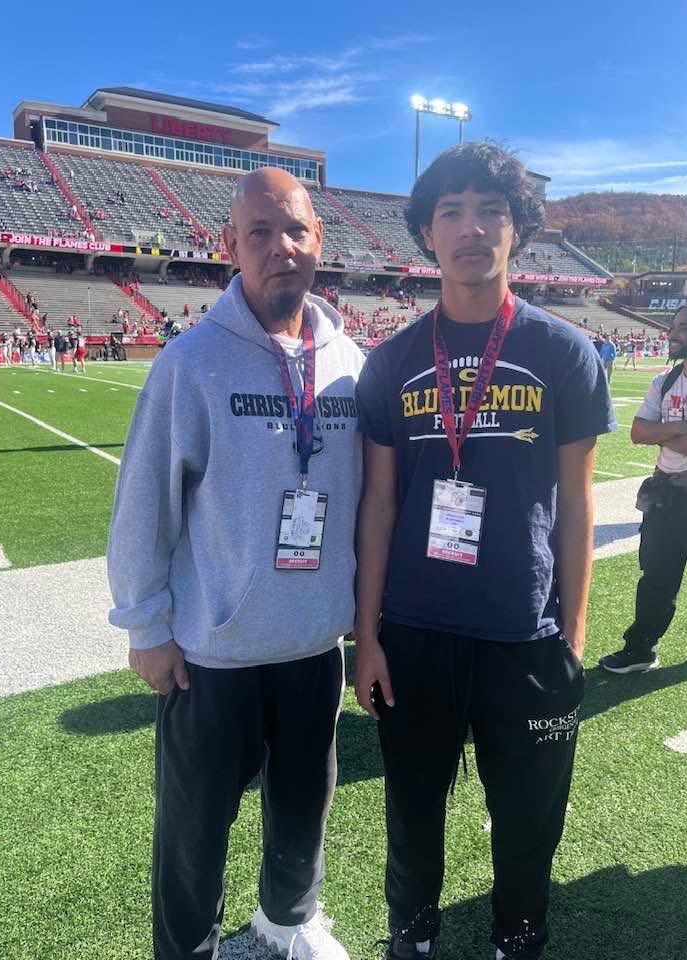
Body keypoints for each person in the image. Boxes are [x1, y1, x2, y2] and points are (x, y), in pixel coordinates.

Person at [353, 142, 615, 960]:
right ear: (426, 234)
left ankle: (519, 933)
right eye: (452, 212)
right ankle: (413, 931)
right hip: (416, 634)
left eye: (491, 210)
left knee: (529, 814)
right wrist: (367, 637)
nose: (473, 228)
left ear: (518, 229)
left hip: (524, 636)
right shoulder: (393, 361)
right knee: (412, 806)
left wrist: (572, 635)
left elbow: (577, 504)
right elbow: (381, 504)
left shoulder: (565, 351)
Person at [108, 167, 364, 960]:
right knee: (191, 828)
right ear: (230, 246)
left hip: (313, 647)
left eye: (294, 229)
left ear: (319, 237)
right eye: (259, 233)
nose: (280, 248)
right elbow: (143, 504)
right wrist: (145, 625)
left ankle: (286, 923)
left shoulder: (352, 360)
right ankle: (187, 950)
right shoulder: (190, 363)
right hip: (213, 652)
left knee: (303, 806)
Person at [600, 299, 687, 673]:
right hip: (665, 493)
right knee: (656, 577)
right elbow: (635, 432)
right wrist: (680, 429)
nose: (671, 333)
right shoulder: (664, 380)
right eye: (672, 326)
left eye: (682, 326)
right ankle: (640, 648)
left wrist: (659, 434)